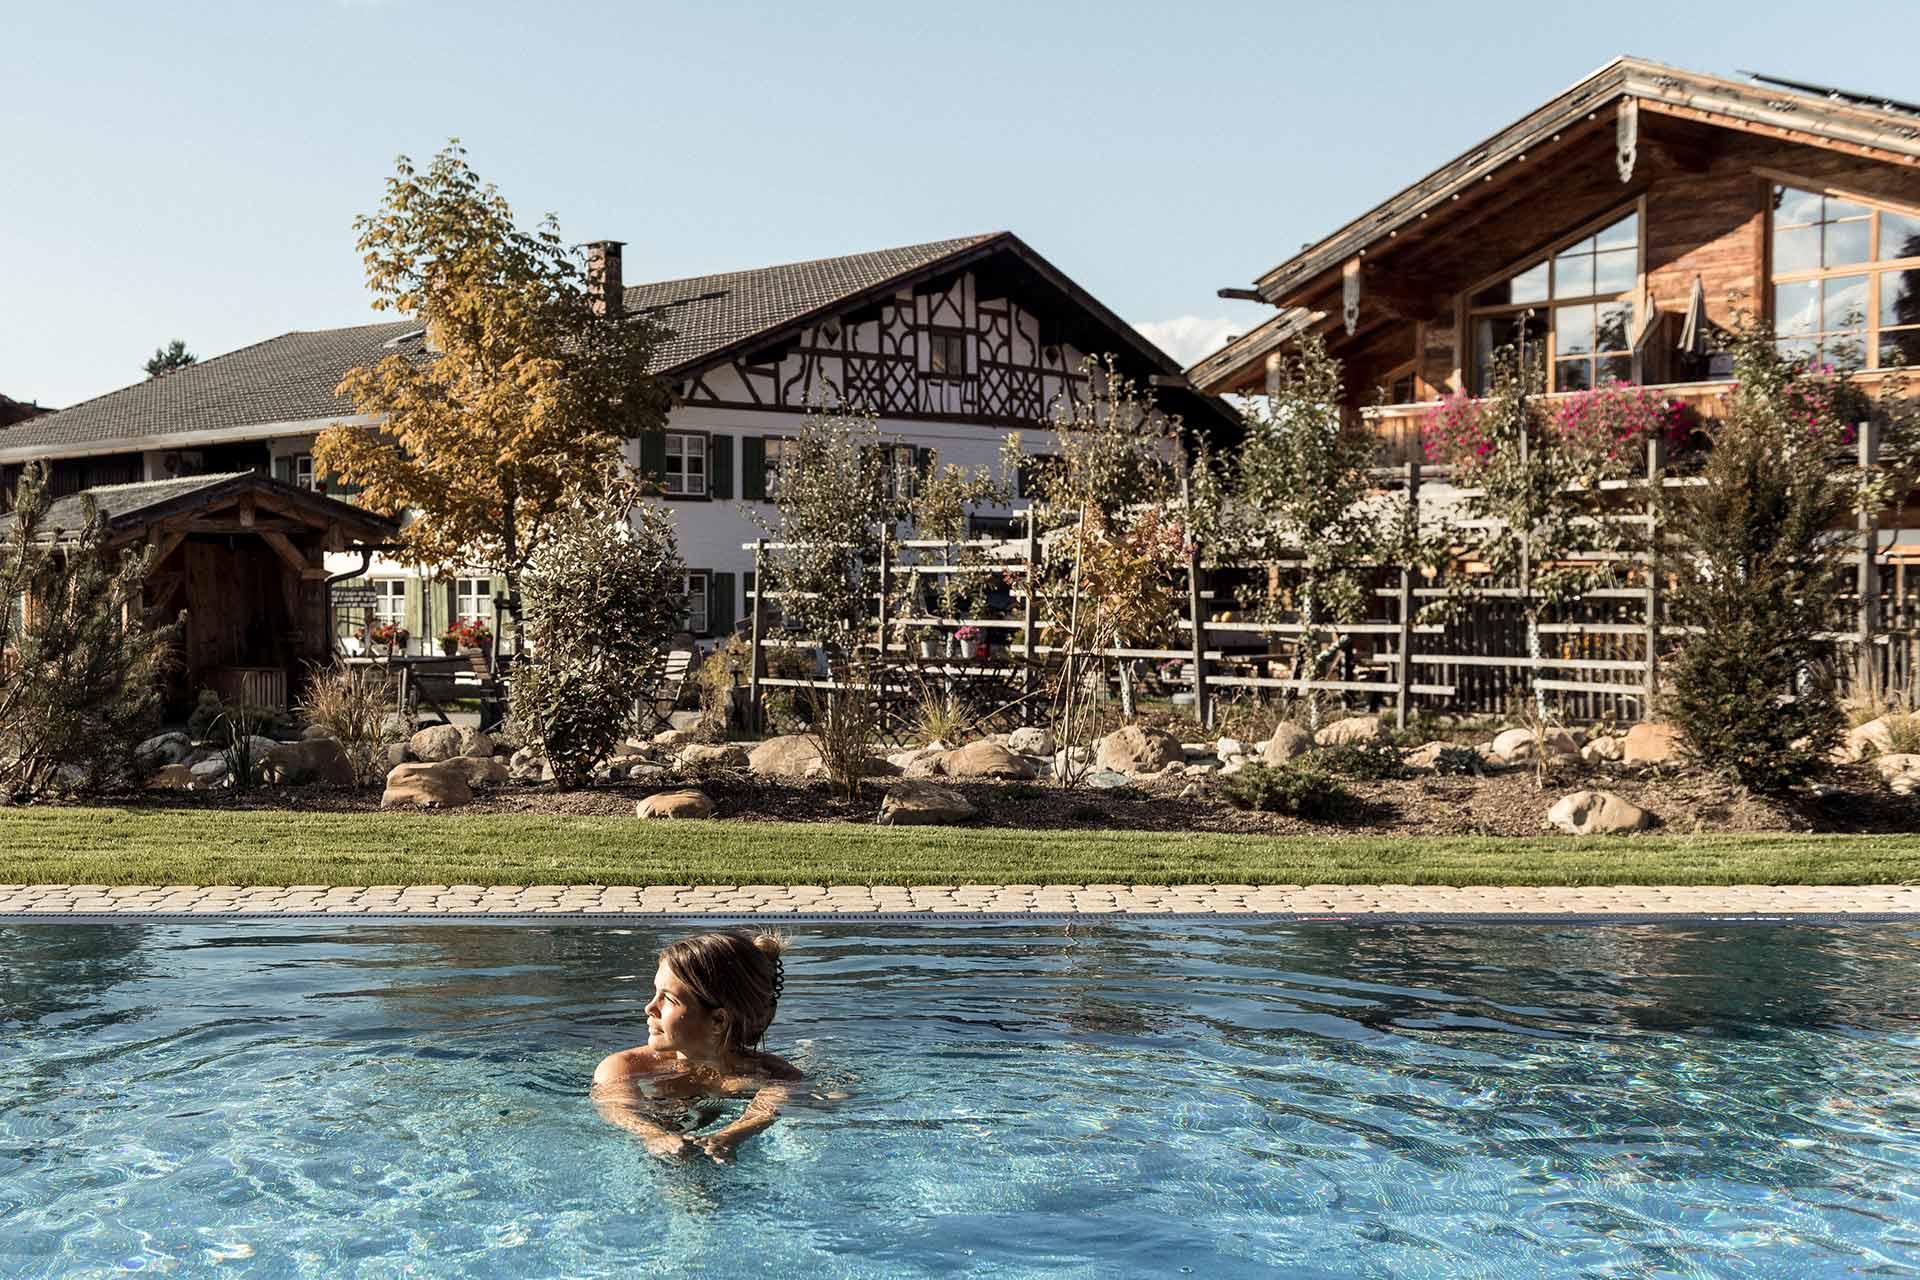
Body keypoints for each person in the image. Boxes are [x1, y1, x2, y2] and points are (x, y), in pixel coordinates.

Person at [591, 930, 802, 1162]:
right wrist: (654, 1135)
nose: (650, 1007)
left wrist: (729, 1136)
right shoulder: (624, 1067)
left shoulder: (774, 1075)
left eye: (669, 999)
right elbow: (617, 1108)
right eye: (655, 993)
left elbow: (767, 1110)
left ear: (718, 1021)